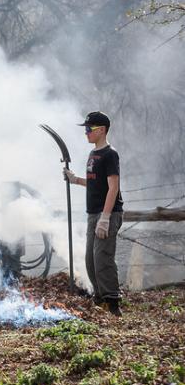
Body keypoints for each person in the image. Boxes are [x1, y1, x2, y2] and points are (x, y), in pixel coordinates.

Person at [64, 111, 124, 316]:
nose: (86, 133)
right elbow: (94, 182)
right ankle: (100, 301)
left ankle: (113, 304)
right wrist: (76, 180)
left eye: (90, 129)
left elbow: (113, 187)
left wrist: (105, 218)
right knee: (90, 260)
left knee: (102, 259)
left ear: (102, 130)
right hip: (93, 213)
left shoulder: (110, 154)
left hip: (107, 213)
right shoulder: (93, 154)